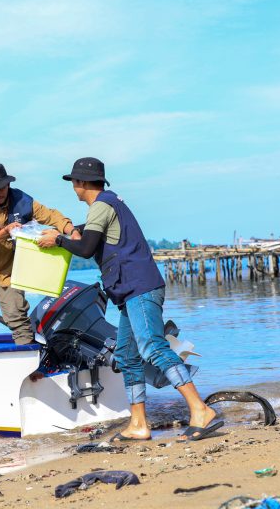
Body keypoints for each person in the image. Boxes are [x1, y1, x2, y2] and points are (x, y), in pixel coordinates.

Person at [39, 157, 222, 441]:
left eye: (74, 182)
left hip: (140, 288)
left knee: (152, 347)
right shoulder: (108, 205)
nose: (73, 187)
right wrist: (65, 231)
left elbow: (86, 247)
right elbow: (89, 235)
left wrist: (59, 240)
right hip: (131, 291)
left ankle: (200, 410)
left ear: (83, 183)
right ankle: (139, 424)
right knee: (126, 356)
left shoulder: (101, 205)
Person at [0, 163, 81, 347]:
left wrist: (72, 230)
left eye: (1, 188)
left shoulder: (22, 200)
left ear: (8, 185)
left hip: (8, 268)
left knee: (17, 318)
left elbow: (51, 215)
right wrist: (4, 232)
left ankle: (30, 362)